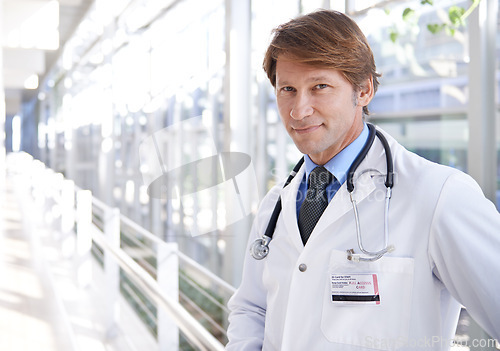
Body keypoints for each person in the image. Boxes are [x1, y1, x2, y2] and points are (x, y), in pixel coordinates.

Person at [225, 9, 500, 351]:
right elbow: (251, 307)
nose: (299, 109)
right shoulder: (276, 206)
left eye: (320, 86)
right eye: (288, 89)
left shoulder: (438, 197)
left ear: (364, 90)